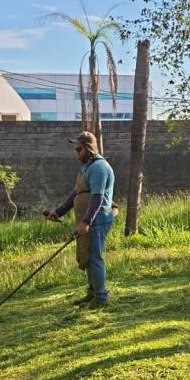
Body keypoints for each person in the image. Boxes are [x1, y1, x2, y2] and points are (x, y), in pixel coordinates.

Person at [45, 131, 116, 308]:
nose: (76, 153)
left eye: (79, 149)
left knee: (94, 257)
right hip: (86, 218)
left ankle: (101, 297)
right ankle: (92, 293)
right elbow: (77, 192)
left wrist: (86, 221)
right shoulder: (87, 167)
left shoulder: (99, 168)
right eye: (75, 149)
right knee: (86, 255)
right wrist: (59, 212)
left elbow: (97, 198)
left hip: (97, 219)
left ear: (88, 148)